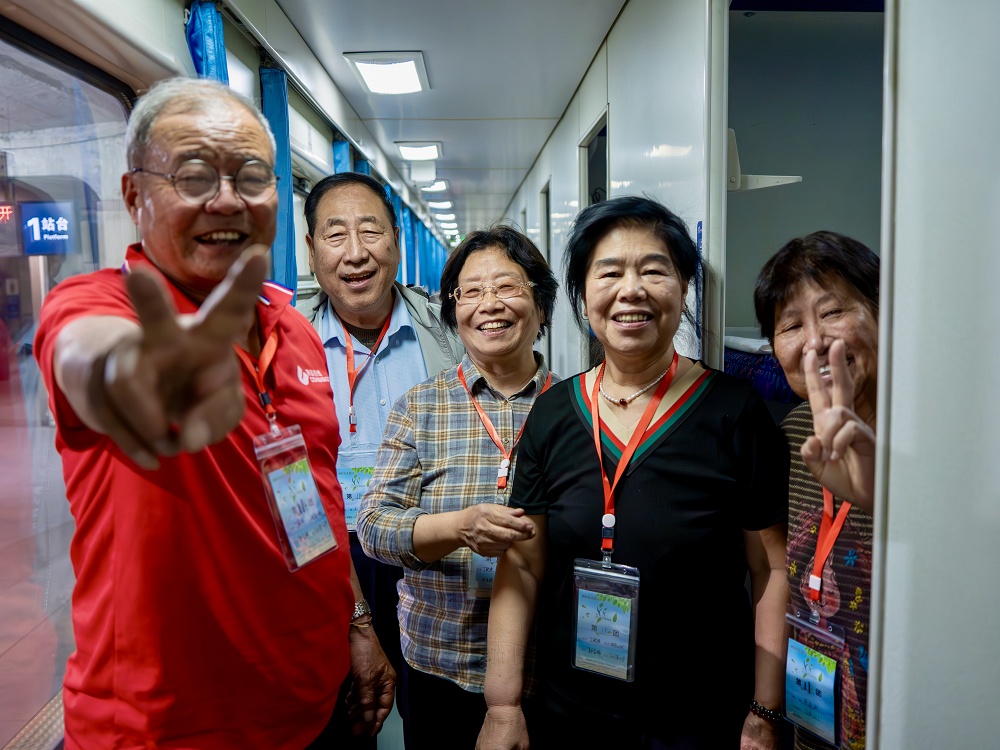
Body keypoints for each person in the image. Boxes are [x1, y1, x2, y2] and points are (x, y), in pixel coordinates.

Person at [33, 77, 361, 750]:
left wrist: (357, 623)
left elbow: (315, 498)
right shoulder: (98, 305)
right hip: (168, 728)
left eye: (251, 176)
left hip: (314, 703)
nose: (227, 199)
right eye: (193, 176)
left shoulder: (289, 324)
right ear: (133, 195)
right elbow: (94, 362)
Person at [477, 196, 789, 750]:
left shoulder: (735, 413)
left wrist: (763, 712)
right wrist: (502, 706)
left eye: (653, 270)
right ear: (583, 294)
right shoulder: (552, 413)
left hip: (699, 717)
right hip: (569, 711)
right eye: (610, 272)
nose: (631, 290)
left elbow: (768, 571)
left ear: (684, 287)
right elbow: (522, 566)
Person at [357, 225, 559, 749]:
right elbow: (374, 528)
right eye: (471, 292)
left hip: (548, 668)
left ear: (541, 305)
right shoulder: (420, 406)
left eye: (508, 288)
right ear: (453, 311)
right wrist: (459, 528)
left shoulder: (576, 407)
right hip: (438, 662)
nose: (489, 304)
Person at [299, 171, 464, 742]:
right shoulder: (285, 341)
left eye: (370, 231)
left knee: (436, 715)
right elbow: (286, 485)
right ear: (311, 250)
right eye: (335, 235)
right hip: (328, 557)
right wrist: (353, 615)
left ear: (396, 239)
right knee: (345, 717)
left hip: (430, 548)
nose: (355, 253)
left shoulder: (447, 331)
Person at [754, 231, 879, 750]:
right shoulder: (790, 435)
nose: (814, 341)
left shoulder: (944, 443)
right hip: (813, 719)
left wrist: (891, 497)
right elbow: (780, 572)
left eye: (833, 313)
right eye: (790, 325)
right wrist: (766, 712)